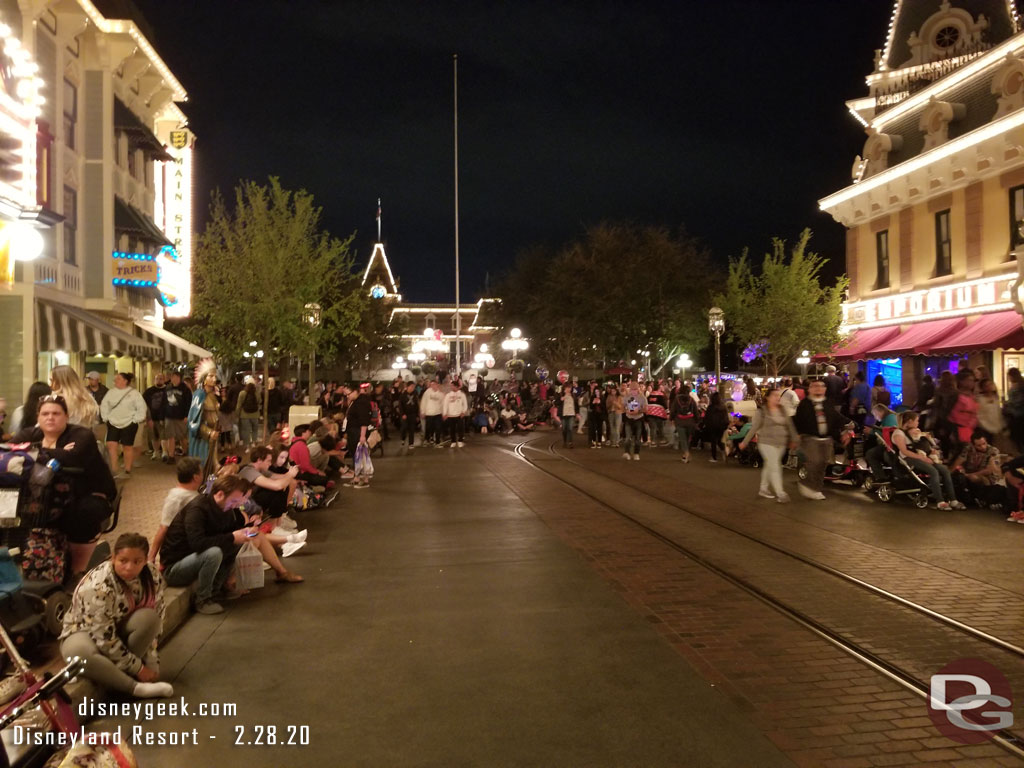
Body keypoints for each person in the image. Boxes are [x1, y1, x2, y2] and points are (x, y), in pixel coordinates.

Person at [59, 533, 172, 699]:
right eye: (123, 561)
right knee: (78, 654)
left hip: (119, 629)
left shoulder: (152, 576)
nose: (129, 568)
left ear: (145, 560)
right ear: (113, 558)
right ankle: (133, 687)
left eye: (137, 561)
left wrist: (151, 657)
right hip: (84, 631)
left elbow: (159, 615)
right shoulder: (97, 586)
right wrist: (139, 669)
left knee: (150, 619)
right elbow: (104, 637)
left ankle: (112, 675)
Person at [14, 395, 117, 575]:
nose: (50, 417)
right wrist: (57, 452)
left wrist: (32, 451)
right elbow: (9, 453)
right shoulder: (30, 434)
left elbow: (74, 457)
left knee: (80, 513)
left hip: (88, 494)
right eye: (45, 413)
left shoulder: (81, 434)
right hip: (45, 496)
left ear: (66, 416)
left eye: (56, 413)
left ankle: (78, 571)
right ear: (38, 417)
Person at [892, 411, 962, 510]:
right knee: (933, 471)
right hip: (908, 458)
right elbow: (904, 451)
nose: (918, 423)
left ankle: (953, 500)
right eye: (917, 420)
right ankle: (940, 501)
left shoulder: (914, 431)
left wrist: (929, 452)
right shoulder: (898, 433)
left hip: (919, 456)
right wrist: (922, 457)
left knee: (945, 470)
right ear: (910, 421)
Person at [741, 387, 799, 502]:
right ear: (767, 397)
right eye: (774, 396)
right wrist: (745, 441)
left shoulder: (782, 409)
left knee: (770, 466)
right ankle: (780, 493)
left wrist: (794, 438)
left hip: (781, 442)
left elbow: (790, 425)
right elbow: (754, 428)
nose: (777, 398)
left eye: (778, 396)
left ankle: (763, 489)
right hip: (766, 442)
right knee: (775, 466)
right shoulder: (762, 411)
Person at [792, 378, 847, 500]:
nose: (818, 388)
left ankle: (816, 488)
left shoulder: (828, 403)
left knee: (823, 464)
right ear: (810, 389)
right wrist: (797, 435)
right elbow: (798, 421)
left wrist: (847, 427)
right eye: (815, 386)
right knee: (815, 461)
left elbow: (836, 418)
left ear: (825, 389)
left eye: (821, 386)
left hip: (826, 439)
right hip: (810, 438)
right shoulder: (805, 404)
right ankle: (807, 485)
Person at [150, 457, 203, 562]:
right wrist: (152, 556)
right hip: (179, 549)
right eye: (202, 473)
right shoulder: (176, 498)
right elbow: (164, 527)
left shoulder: (192, 493)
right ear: (196, 477)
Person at [100, 372, 148, 476]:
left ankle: (127, 469)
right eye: (115, 379)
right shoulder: (110, 393)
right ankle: (114, 469)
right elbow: (104, 406)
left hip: (129, 423)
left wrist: (136, 419)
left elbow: (141, 407)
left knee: (127, 446)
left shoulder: (134, 393)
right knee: (111, 445)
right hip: (113, 422)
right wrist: (106, 418)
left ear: (125, 381)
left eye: (118, 379)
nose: (115, 381)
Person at [950, 431, 1004, 509]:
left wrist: (970, 475)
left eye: (984, 443)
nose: (983, 447)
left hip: (986, 478)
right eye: (979, 445)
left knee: (974, 478)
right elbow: (960, 459)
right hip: (968, 473)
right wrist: (949, 472)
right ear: (973, 444)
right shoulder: (968, 448)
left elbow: (989, 470)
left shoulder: (993, 451)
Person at [188, 365, 220, 472]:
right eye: (210, 376)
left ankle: (209, 488)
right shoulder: (199, 395)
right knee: (202, 468)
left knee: (212, 468)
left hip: (212, 438)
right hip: (202, 439)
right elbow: (193, 421)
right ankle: (201, 487)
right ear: (204, 378)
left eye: (215, 376)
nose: (214, 379)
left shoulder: (212, 395)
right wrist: (209, 432)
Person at [49, 365, 99, 430]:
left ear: (59, 381)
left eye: (52, 380)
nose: (50, 384)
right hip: (84, 437)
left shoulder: (57, 399)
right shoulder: (88, 398)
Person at [162, 370, 190, 464]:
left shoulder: (185, 389)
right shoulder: (167, 388)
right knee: (171, 436)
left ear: (179, 378)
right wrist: (163, 414)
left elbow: (188, 403)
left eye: (176, 377)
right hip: (169, 416)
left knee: (182, 436)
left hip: (181, 416)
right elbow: (164, 401)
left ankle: (185, 451)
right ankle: (171, 456)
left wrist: (187, 415)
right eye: (172, 377)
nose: (174, 379)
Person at [142, 373, 167, 462]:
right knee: (153, 436)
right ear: (154, 380)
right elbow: (143, 404)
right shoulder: (149, 391)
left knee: (164, 435)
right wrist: (146, 418)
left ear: (164, 380)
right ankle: (156, 452)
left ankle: (164, 452)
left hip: (164, 417)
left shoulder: (167, 390)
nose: (159, 380)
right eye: (157, 378)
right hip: (151, 417)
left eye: (160, 378)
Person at [670, 384, 697, 462]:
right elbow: (695, 411)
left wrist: (671, 418)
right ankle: (685, 454)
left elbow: (673, 410)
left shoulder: (677, 399)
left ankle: (686, 453)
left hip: (679, 420)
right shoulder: (691, 399)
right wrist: (697, 420)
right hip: (690, 421)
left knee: (682, 438)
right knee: (688, 438)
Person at [621, 381, 647, 461]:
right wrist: (626, 411)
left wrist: (638, 411)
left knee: (638, 438)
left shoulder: (642, 397)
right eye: (632, 389)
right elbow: (622, 406)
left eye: (635, 389)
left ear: (638, 389)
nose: (633, 391)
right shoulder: (626, 397)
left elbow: (646, 408)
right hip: (629, 418)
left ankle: (636, 453)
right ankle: (627, 452)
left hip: (638, 418)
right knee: (627, 437)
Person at [702, 391, 729, 463]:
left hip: (712, 426)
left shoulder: (711, 407)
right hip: (721, 426)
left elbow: (707, 417)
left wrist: (704, 424)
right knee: (719, 440)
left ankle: (714, 457)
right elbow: (726, 418)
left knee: (714, 441)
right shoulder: (723, 407)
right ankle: (724, 452)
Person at [442, 379, 469, 448]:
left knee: (460, 428)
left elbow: (465, 404)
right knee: (452, 429)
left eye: (453, 386)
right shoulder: (448, 395)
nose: (451, 387)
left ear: (457, 386)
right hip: (451, 415)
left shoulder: (462, 394)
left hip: (459, 414)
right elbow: (445, 404)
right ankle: (453, 441)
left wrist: (463, 412)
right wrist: (445, 413)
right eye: (451, 386)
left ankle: (460, 441)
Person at [236, 380, 262, 448]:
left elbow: (239, 405)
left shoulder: (242, 393)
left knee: (246, 430)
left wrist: (237, 414)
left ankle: (247, 445)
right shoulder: (257, 393)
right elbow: (259, 402)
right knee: (255, 429)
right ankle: (253, 442)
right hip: (255, 414)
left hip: (244, 415)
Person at [396, 380, 420, 453]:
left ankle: (411, 443)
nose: (412, 388)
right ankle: (403, 439)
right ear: (408, 387)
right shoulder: (403, 395)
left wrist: (417, 415)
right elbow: (400, 406)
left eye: (414, 387)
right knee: (404, 428)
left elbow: (416, 405)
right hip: (405, 415)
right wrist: (402, 414)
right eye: (411, 386)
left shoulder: (415, 394)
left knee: (412, 429)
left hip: (412, 414)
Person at [420, 380, 444, 447]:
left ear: (437, 385)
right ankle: (427, 439)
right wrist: (423, 411)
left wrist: (443, 412)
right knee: (429, 428)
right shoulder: (427, 392)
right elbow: (423, 402)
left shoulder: (440, 394)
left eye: (434, 384)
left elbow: (443, 404)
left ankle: (437, 442)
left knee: (438, 428)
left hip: (438, 413)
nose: (432, 386)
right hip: (429, 413)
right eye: (431, 385)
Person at [556, 384, 578, 448]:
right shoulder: (560, 395)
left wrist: (577, 413)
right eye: (567, 388)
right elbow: (556, 403)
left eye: (569, 388)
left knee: (570, 428)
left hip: (571, 414)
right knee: (564, 429)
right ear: (564, 389)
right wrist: (561, 399)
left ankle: (570, 442)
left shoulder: (573, 396)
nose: (568, 389)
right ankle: (565, 441)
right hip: (564, 414)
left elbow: (576, 405)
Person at [586, 381, 606, 448]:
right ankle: (594, 441)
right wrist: (593, 402)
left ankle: (599, 442)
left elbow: (604, 407)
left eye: (598, 391)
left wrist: (600, 403)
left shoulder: (603, 398)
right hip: (594, 414)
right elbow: (591, 406)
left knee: (600, 428)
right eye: (595, 391)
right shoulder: (592, 397)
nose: (597, 393)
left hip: (600, 415)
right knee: (593, 428)